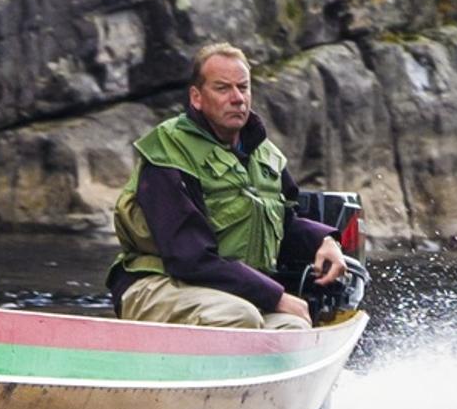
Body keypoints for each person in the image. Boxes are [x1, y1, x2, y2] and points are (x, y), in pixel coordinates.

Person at [109, 43, 349, 327]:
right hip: (158, 285)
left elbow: (283, 225)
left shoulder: (266, 156)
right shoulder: (168, 153)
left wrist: (326, 241)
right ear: (196, 97)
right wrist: (276, 297)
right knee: (240, 317)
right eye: (223, 88)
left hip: (232, 291)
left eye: (243, 88)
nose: (237, 98)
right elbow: (189, 258)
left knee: (294, 327)